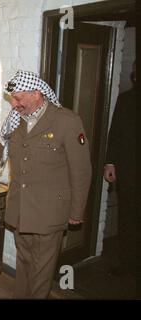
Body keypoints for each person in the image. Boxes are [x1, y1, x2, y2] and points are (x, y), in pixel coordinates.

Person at [0, 70, 92, 299]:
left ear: (36, 93)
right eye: (12, 99)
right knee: (25, 263)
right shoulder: (17, 119)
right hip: (20, 209)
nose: (14, 104)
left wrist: (77, 211)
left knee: (41, 272)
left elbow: (81, 171)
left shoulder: (66, 121)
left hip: (50, 212)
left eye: (18, 99)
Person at [103, 61, 136, 276]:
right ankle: (127, 263)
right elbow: (114, 134)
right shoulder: (126, 100)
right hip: (131, 172)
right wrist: (110, 163)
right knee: (128, 219)